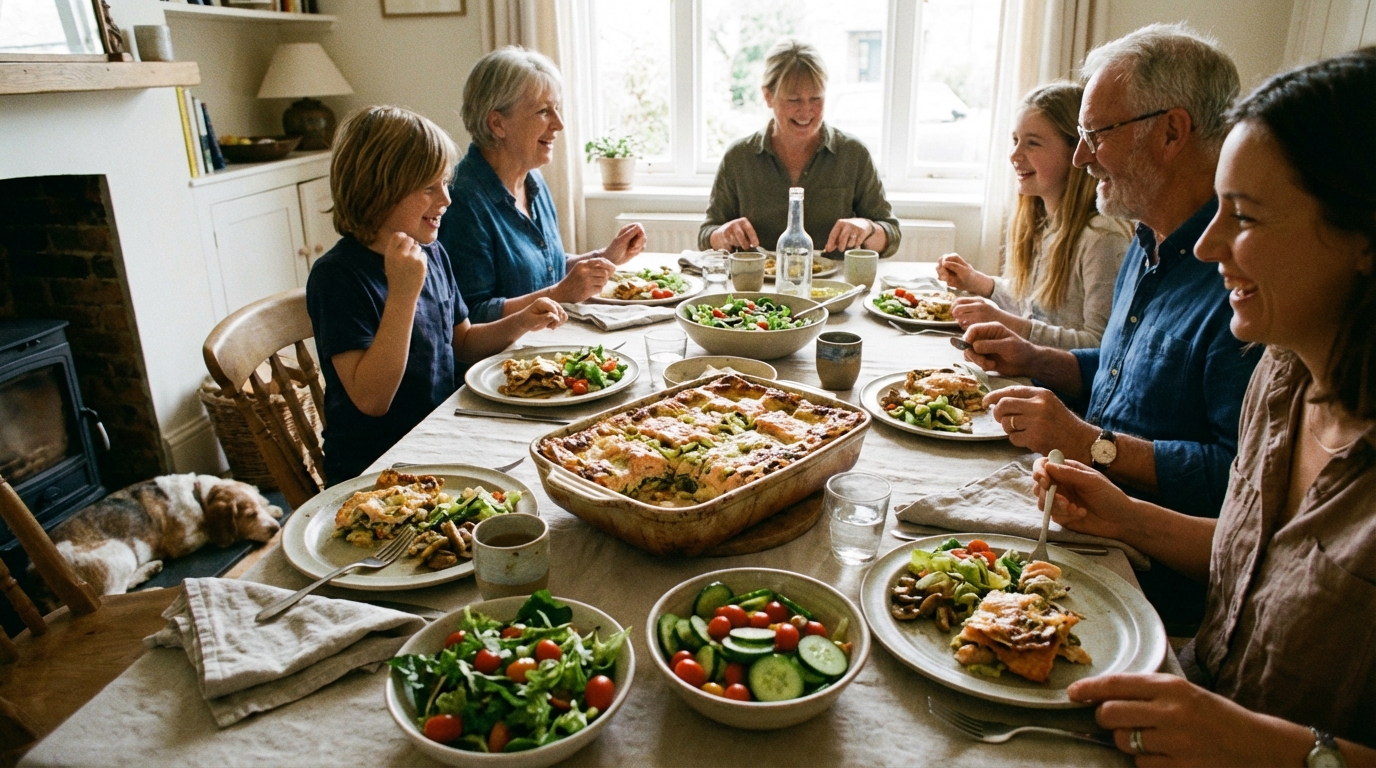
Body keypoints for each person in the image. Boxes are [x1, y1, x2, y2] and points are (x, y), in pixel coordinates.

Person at [1034, 48, 1376, 763]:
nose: (1210, 242)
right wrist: (1124, 514)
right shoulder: (1283, 380)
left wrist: (1260, 746)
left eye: (1244, 217)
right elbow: (1252, 558)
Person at [307, 106, 566, 485]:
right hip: (375, 470)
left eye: (445, 183)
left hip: (437, 437)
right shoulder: (338, 276)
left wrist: (522, 321)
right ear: (379, 189)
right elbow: (372, 400)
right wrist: (403, 293)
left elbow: (461, 342)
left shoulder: (430, 251)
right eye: (429, 187)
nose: (446, 199)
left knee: (545, 457)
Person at [437, 46, 646, 324]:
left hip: (544, 345)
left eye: (556, 109)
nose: (558, 123)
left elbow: (546, 269)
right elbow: (470, 317)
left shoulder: (532, 179)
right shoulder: (462, 200)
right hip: (500, 362)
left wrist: (604, 258)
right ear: (497, 123)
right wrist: (560, 294)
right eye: (543, 111)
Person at [936, 83, 1131, 350]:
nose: (1014, 155)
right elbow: (1034, 305)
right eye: (1015, 141)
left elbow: (1098, 347)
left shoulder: (1101, 239)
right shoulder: (1043, 221)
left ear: (1076, 151)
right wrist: (979, 282)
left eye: (1032, 143)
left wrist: (1003, 321)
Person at [698, 40, 900, 258]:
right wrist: (722, 234)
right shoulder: (739, 157)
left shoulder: (853, 154)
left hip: (834, 288)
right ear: (768, 96)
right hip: (759, 288)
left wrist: (867, 227)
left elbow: (891, 236)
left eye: (816, 98)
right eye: (794, 100)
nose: (806, 111)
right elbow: (706, 236)